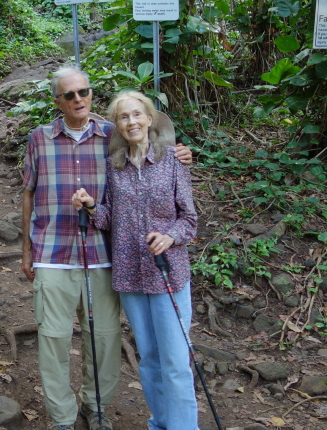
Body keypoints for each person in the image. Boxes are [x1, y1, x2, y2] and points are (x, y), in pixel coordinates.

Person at [22, 67, 192, 430]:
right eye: (69, 95)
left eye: (83, 91)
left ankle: (97, 406)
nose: (78, 99)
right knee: (54, 339)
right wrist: (26, 250)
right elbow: (28, 192)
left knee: (105, 339)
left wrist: (181, 152)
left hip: (104, 257)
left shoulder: (111, 135)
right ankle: (63, 417)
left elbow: (149, 134)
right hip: (54, 253)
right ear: (57, 101)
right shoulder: (40, 138)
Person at [72, 90, 199, 430]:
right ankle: (161, 423)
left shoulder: (174, 160)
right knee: (151, 359)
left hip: (168, 273)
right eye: (123, 117)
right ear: (117, 126)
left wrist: (170, 236)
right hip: (129, 275)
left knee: (175, 360)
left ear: (149, 119)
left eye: (136, 115)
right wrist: (91, 206)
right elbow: (110, 219)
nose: (131, 122)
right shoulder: (114, 168)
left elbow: (189, 219)